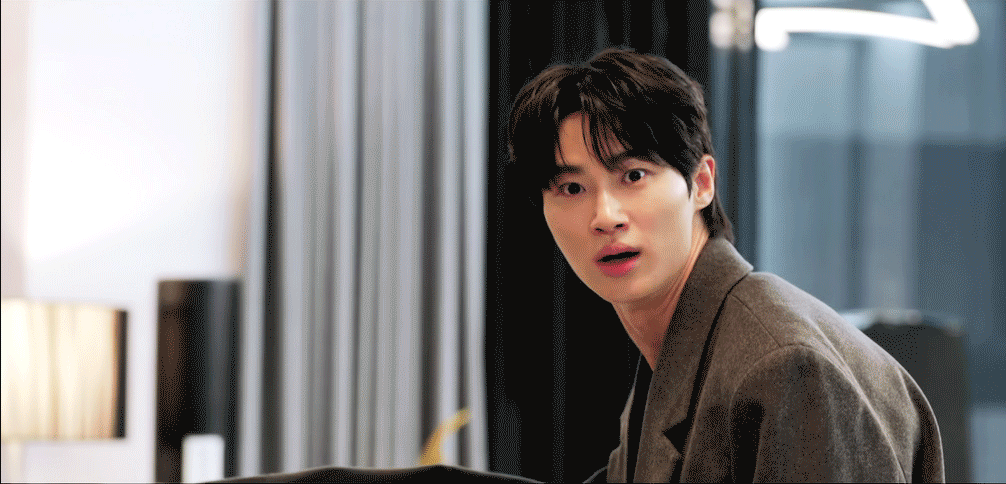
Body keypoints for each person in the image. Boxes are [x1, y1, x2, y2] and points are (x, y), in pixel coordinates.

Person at [507, 47, 945, 482]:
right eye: (571, 188)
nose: (605, 217)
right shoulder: (682, 347)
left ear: (701, 184)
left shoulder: (783, 365)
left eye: (633, 176)